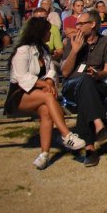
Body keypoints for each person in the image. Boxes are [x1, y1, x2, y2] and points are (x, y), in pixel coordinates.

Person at [5, 17, 86, 169]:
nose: (50, 34)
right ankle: (66, 135)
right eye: (48, 31)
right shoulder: (23, 51)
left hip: (39, 93)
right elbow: (21, 77)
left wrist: (49, 81)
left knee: (46, 111)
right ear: (39, 32)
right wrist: (44, 84)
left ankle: (44, 154)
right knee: (49, 96)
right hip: (19, 94)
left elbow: (50, 70)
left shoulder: (43, 50)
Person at [60, 9, 107, 167]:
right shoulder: (71, 40)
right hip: (72, 85)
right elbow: (64, 72)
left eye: (80, 23)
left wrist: (99, 74)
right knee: (84, 81)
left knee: (88, 85)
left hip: (96, 83)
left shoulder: (105, 41)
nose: (77, 26)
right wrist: (75, 50)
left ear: (92, 24)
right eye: (76, 23)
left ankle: (90, 148)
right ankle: (99, 126)